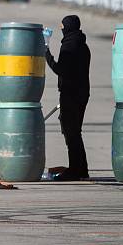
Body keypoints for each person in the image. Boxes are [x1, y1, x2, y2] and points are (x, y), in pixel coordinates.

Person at [45, 15, 91, 181]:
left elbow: (60, 69)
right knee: (75, 132)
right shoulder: (83, 45)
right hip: (81, 94)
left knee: (71, 134)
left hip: (71, 95)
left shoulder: (69, 47)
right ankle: (81, 169)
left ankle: (75, 170)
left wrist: (47, 54)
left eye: (63, 27)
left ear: (68, 28)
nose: (62, 29)